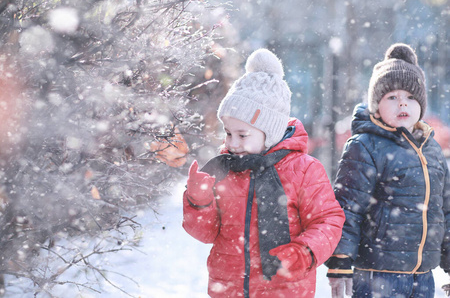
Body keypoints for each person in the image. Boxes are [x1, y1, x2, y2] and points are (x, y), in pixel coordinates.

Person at [182, 48, 345, 298]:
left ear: (270, 130)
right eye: (228, 133)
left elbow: (328, 221)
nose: (232, 143)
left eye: (242, 134)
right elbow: (207, 234)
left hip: (285, 288)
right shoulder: (224, 170)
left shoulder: (304, 169)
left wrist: (304, 251)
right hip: (228, 289)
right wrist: (198, 201)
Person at [325, 43, 450, 298]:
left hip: (423, 275)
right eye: (392, 97)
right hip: (377, 273)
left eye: (411, 97)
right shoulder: (365, 146)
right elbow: (348, 207)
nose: (402, 103)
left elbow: (444, 211)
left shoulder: (432, 150)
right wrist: (340, 259)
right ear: (376, 106)